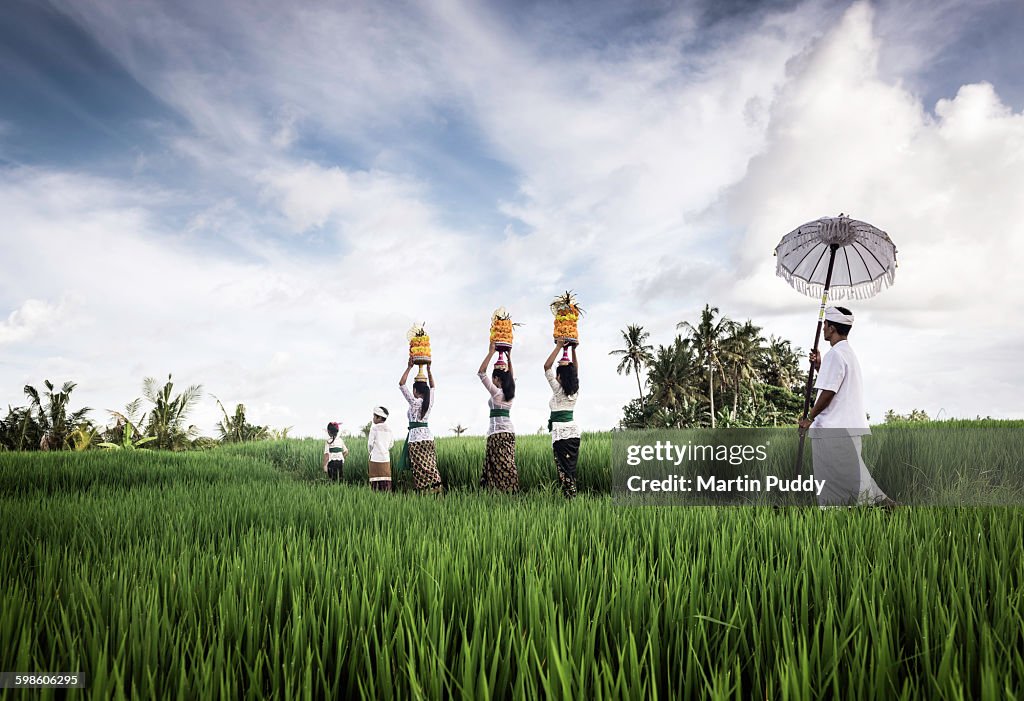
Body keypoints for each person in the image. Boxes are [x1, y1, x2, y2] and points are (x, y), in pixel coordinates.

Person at [798, 306, 897, 508]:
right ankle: (890, 507)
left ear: (832, 328)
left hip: (833, 430)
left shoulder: (835, 355)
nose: (823, 328)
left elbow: (828, 392)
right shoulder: (846, 353)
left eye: (825, 325)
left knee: (837, 482)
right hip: (846, 428)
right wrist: (819, 366)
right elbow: (834, 383)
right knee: (858, 479)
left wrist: (810, 417)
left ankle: (880, 510)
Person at [477, 341, 518, 492]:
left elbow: (481, 373)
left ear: (496, 379)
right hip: (509, 433)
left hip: (497, 434)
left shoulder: (496, 392)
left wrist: (491, 352)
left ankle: (499, 492)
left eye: (493, 379)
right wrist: (509, 359)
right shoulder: (511, 392)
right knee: (508, 464)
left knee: (497, 467)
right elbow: (511, 378)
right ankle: (510, 491)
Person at [544, 338, 581, 499]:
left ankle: (570, 500)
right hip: (573, 435)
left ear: (559, 376)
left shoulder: (558, 390)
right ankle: (572, 500)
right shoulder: (575, 391)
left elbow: (546, 367)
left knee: (564, 472)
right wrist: (573, 350)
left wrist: (559, 346)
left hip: (561, 436)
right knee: (570, 470)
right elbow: (576, 373)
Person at [399, 359, 442, 493]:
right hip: (428, 438)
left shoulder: (414, 402)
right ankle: (437, 491)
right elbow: (433, 387)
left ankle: (424, 494)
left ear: (416, 390)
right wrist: (429, 370)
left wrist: (409, 367)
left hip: (415, 440)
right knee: (431, 466)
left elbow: (401, 384)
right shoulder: (430, 401)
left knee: (419, 470)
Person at [367, 406, 395, 492]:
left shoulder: (374, 428)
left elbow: (370, 444)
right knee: (385, 481)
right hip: (385, 459)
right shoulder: (389, 429)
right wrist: (385, 450)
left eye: (374, 416)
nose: (373, 418)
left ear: (379, 418)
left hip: (375, 458)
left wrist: (371, 452)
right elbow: (391, 444)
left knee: (375, 482)